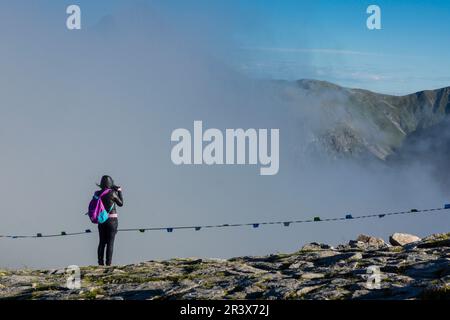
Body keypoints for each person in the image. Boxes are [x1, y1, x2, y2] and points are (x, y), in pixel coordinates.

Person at [95, 175, 123, 266]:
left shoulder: (97, 194)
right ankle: (108, 264)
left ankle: (100, 263)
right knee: (110, 243)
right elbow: (121, 203)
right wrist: (119, 191)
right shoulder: (112, 193)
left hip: (102, 220)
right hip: (112, 220)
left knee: (102, 242)